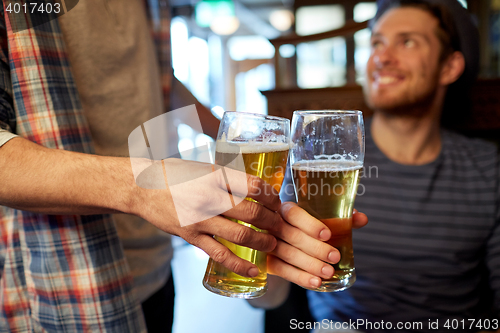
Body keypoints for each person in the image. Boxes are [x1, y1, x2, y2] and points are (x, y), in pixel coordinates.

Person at [0, 1, 368, 332]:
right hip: (54, 278)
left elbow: (156, 79)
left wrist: (232, 134)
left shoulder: (153, 7)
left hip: (154, 264)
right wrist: (140, 187)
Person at [251, 0, 500, 332]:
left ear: (449, 67)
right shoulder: (314, 158)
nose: (382, 57)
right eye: (377, 43)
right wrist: (256, 247)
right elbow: (267, 299)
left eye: (407, 41)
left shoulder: (488, 168)